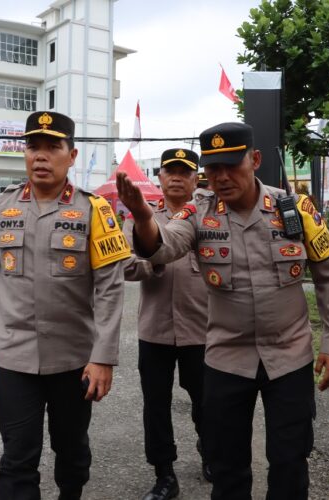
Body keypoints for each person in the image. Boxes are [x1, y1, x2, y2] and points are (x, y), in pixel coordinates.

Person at [117, 122, 329, 499]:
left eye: (231, 166)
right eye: (212, 169)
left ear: (254, 160)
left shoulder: (293, 209)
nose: (222, 177)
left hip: (289, 356)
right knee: (227, 467)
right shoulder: (198, 213)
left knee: (290, 461)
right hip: (226, 359)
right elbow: (164, 247)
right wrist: (144, 217)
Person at [0, 110, 130, 500]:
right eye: (33, 147)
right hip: (13, 359)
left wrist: (103, 357)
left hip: (73, 360)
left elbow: (110, 288)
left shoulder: (96, 210)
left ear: (71, 155)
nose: (40, 156)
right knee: (17, 458)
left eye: (52, 147)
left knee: (72, 453)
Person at [123, 148, 210, 500]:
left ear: (195, 178)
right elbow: (125, 265)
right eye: (169, 171)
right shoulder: (141, 217)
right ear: (159, 177)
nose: (176, 177)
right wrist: (154, 261)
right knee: (155, 406)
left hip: (202, 329)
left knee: (207, 402)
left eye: (184, 171)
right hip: (155, 330)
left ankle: (211, 452)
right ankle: (164, 475)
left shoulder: (209, 217)